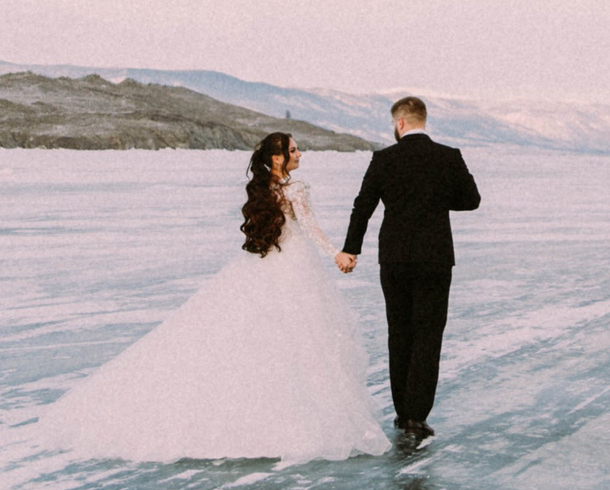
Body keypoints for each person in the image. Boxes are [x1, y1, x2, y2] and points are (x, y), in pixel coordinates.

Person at [45, 132, 388, 463]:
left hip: (265, 262)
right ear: (277, 158)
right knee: (294, 339)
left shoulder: (262, 189)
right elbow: (310, 228)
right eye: (294, 151)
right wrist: (338, 254)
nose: (300, 155)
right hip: (294, 266)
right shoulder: (295, 189)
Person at [335, 97, 482, 442]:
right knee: (428, 334)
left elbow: (363, 207)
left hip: (395, 258)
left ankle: (402, 412)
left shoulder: (384, 159)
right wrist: (436, 200)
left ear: (400, 122)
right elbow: (471, 200)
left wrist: (351, 249)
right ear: (421, 120)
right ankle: (417, 416)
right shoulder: (449, 156)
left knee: (399, 332)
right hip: (435, 258)